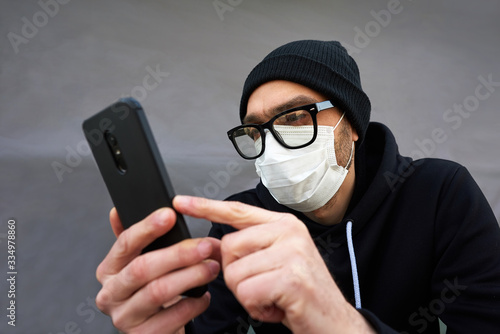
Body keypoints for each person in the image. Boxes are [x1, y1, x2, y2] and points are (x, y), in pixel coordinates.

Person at [95, 40, 500, 333]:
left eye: (294, 117)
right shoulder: (242, 223)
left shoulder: (438, 192)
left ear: (352, 127)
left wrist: (340, 324)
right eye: (256, 130)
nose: (271, 144)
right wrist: (173, 327)